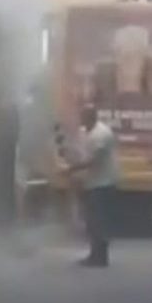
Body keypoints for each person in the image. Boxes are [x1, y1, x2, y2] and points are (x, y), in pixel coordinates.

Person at [62, 105, 119, 267]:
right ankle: (95, 254)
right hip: (92, 182)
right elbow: (80, 151)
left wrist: (70, 169)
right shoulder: (86, 131)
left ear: (91, 117)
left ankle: (101, 257)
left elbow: (92, 161)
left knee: (99, 220)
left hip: (103, 183)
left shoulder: (102, 135)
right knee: (92, 220)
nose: (81, 121)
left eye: (83, 117)